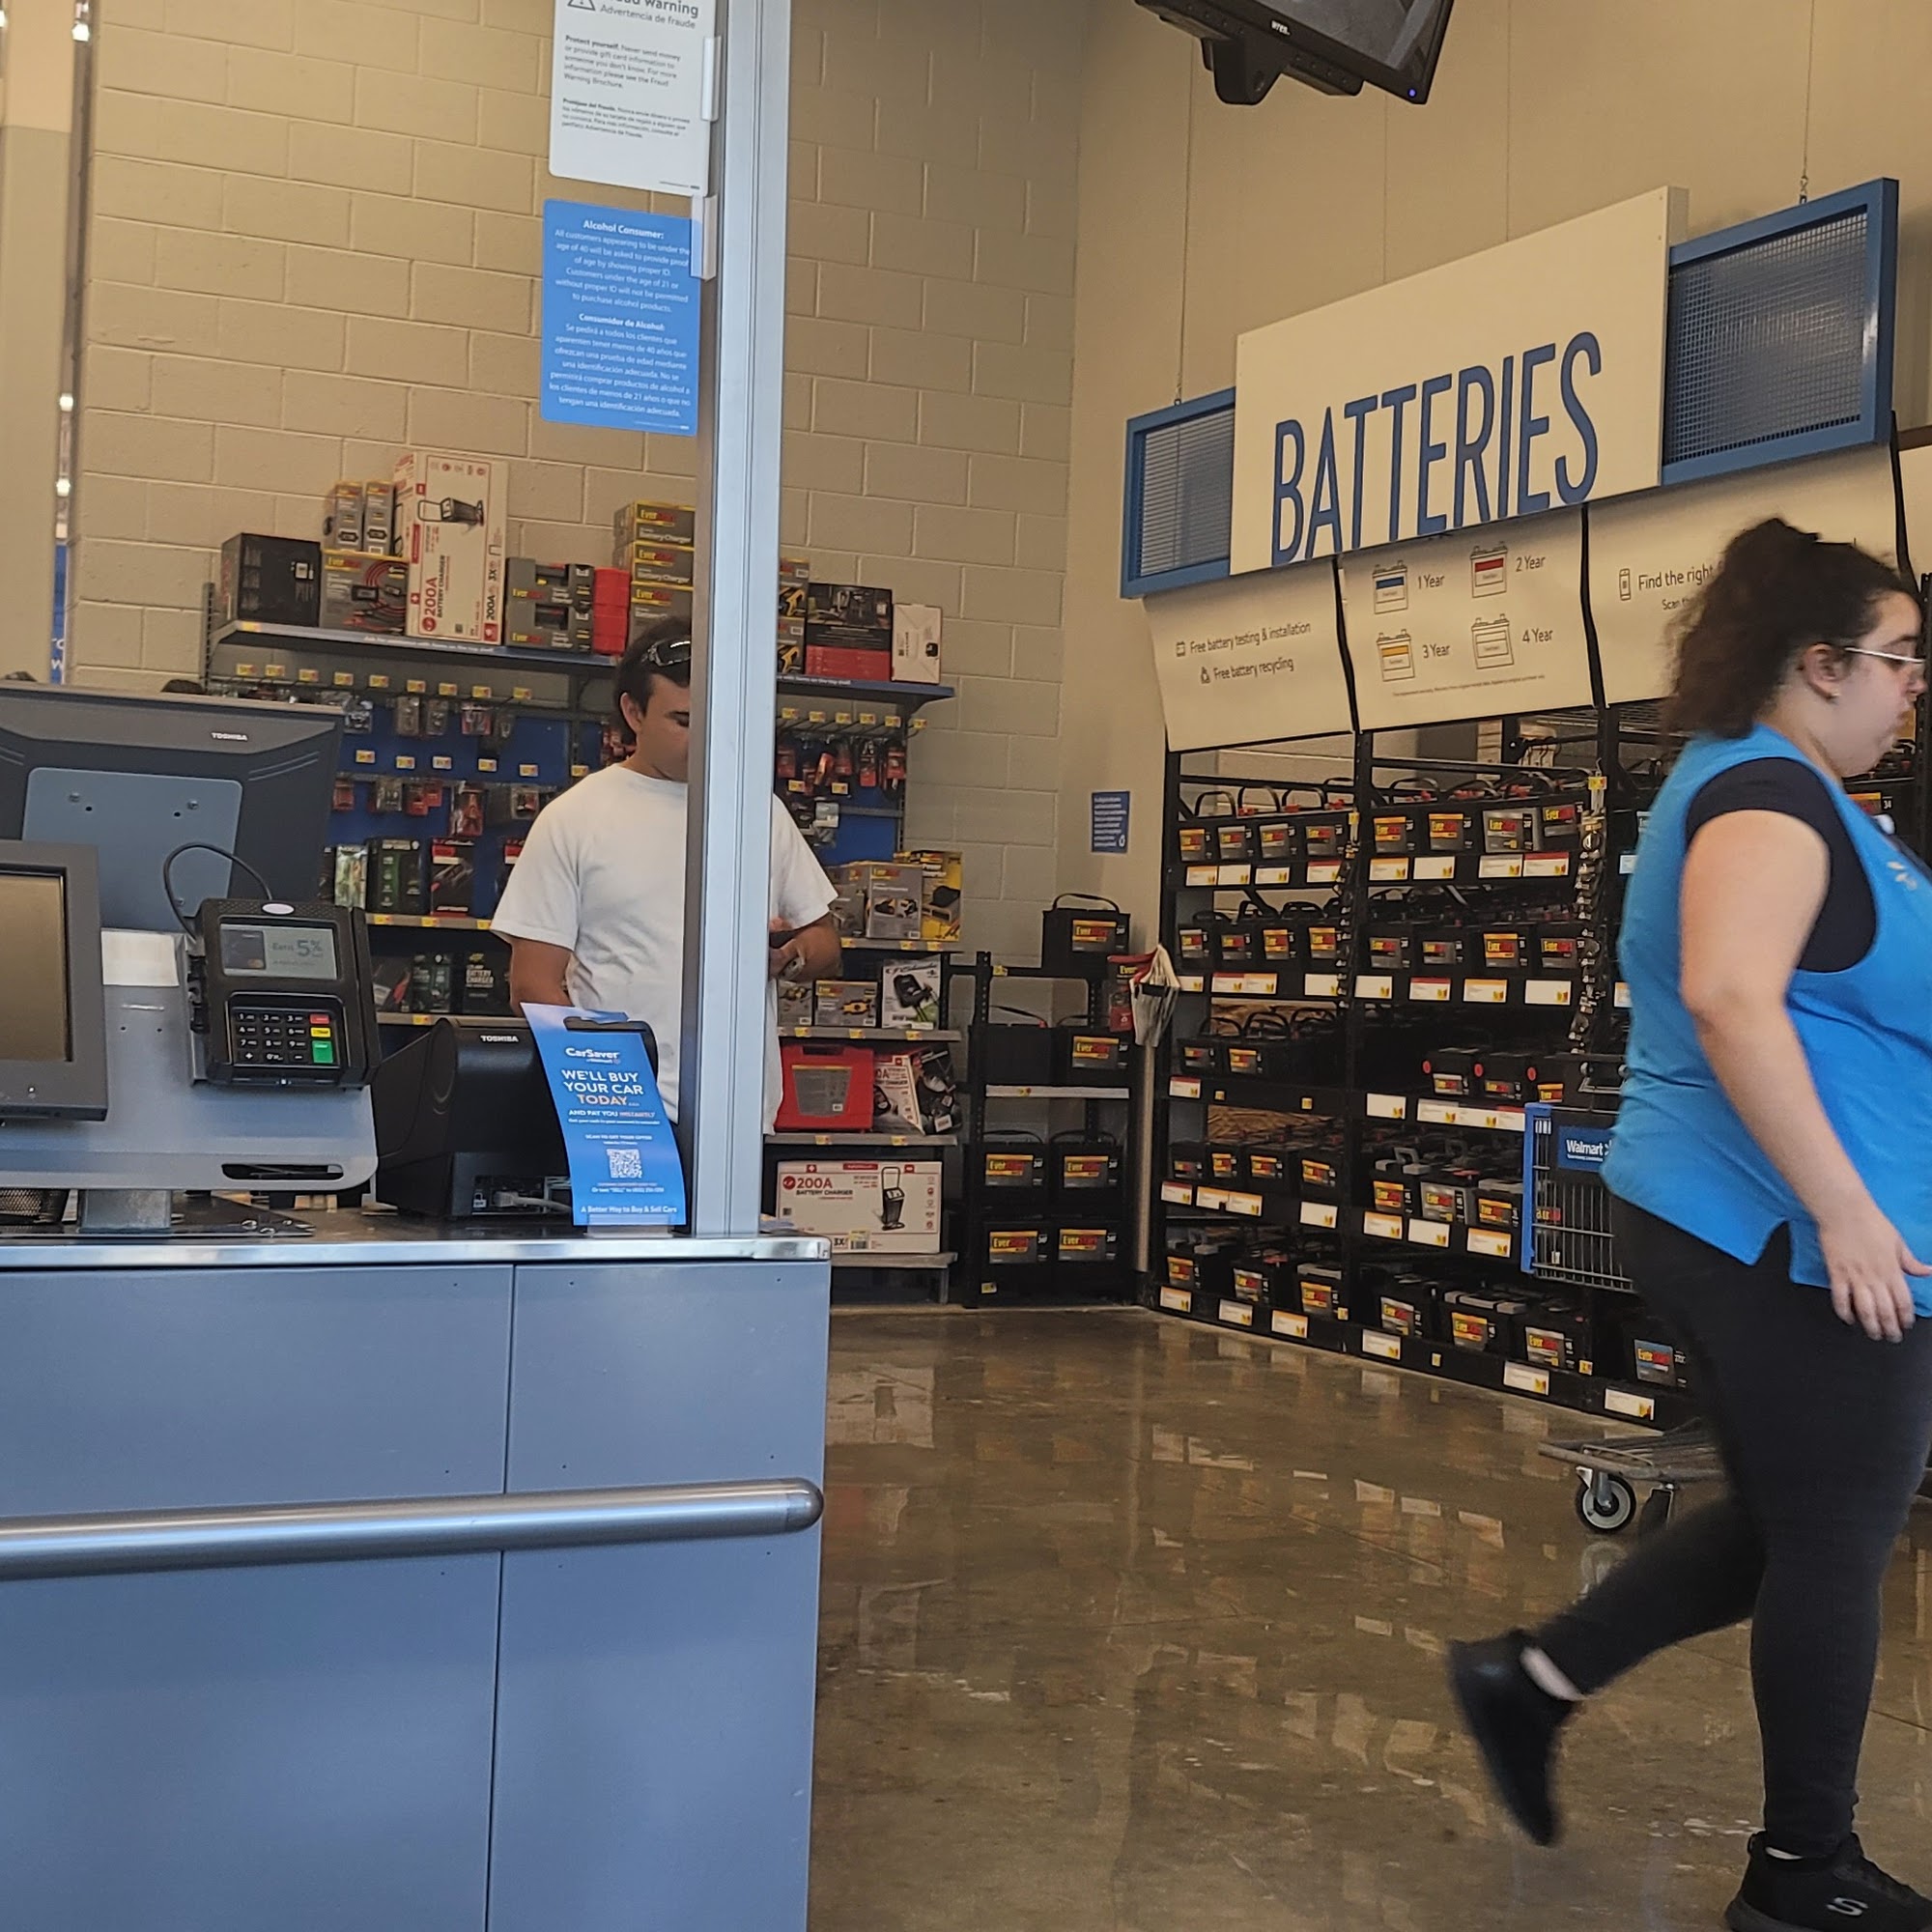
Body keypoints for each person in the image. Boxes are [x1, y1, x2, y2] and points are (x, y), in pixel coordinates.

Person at [1450, 519, 1932, 1932]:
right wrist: (1844, 1212)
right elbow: (1729, 995)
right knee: (1834, 1541)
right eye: (1900, 658)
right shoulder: (1766, 793)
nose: (1914, 685)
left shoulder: (1794, 792)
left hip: (1775, 1221)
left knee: (1795, 1521)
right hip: (1786, 1234)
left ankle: (1531, 1681)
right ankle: (1800, 1873)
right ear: (1819, 662)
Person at [492, 617, 842, 1127]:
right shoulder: (575, 818)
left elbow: (824, 941)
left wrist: (791, 955)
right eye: (683, 720)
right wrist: (612, 1092)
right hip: (620, 1112)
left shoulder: (757, 812)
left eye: (717, 718)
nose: (704, 738)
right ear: (633, 712)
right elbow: (531, 988)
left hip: (740, 1113)